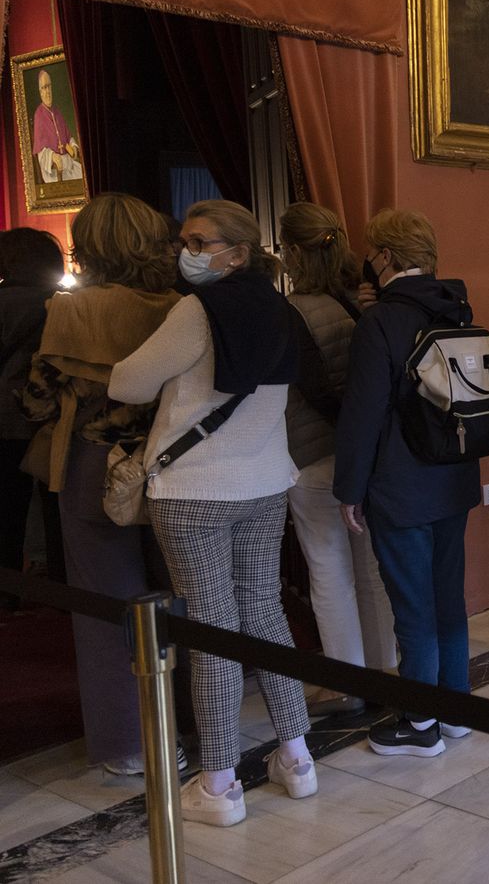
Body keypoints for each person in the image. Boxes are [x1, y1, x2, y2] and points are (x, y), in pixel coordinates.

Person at [109, 199, 311, 827]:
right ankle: (298, 759)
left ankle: (220, 782)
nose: (186, 253)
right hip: (265, 479)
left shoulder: (196, 309)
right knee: (265, 612)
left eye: (199, 242)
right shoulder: (281, 308)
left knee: (211, 624)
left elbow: (128, 383)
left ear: (238, 253)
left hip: (196, 487)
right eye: (185, 241)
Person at [20, 195, 179, 774]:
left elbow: (38, 399)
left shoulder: (69, 310)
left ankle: (126, 747)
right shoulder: (178, 306)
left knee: (104, 610)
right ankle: (193, 721)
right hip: (168, 462)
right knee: (178, 595)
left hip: (91, 464)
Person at [337, 209, 482, 759]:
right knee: (449, 596)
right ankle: (458, 707)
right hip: (454, 477)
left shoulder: (380, 323)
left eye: (372, 252)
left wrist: (350, 487)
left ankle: (421, 723)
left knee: (412, 605)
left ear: (387, 257)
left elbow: (364, 413)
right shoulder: (460, 308)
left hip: (401, 483)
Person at [279, 203, 396, 716]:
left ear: (289, 251)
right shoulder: (364, 301)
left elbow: (313, 389)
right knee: (370, 567)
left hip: (312, 451)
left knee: (327, 569)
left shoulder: (293, 310)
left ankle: (344, 681)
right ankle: (384, 667)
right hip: (365, 451)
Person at [0, 229, 65, 609]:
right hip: (51, 419)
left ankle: (7, 591)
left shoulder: (3, 302)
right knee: (56, 509)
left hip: (5, 419)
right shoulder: (62, 302)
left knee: (7, 510)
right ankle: (62, 589)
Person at [31, 70, 84, 182]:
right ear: (40, 91)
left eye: (49, 86)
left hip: (68, 165)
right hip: (54, 171)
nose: (48, 91)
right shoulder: (38, 115)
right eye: (44, 87)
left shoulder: (57, 112)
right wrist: (52, 157)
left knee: (85, 178)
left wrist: (73, 146)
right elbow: (40, 151)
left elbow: (68, 136)